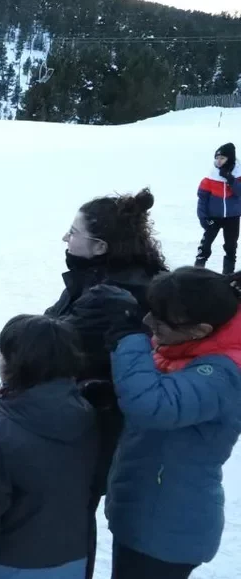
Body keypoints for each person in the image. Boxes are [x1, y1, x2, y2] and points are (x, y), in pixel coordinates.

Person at [80, 267, 241, 579]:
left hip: (168, 529)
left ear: (198, 329)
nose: (147, 322)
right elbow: (157, 389)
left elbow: (153, 406)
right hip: (145, 513)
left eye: (160, 319)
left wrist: (128, 340)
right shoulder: (188, 348)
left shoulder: (225, 372)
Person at [44, 187, 166, 577]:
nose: (66, 238)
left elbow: (51, 343)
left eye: (73, 232)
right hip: (92, 420)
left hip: (96, 428)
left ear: (99, 246)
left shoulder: (114, 294)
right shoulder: (104, 275)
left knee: (70, 516)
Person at [0, 315, 99, 579]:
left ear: (18, 365)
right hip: (71, 560)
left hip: (6, 565)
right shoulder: (89, 414)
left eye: (3, 354)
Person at [196, 142, 241, 273]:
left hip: (232, 218)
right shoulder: (210, 177)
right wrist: (203, 218)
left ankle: (228, 277)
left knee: (231, 247)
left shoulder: (238, 176)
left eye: (222, 158)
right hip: (213, 217)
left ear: (230, 158)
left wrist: (230, 179)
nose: (219, 161)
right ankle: (196, 273)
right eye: (217, 158)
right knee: (204, 246)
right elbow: (202, 200)